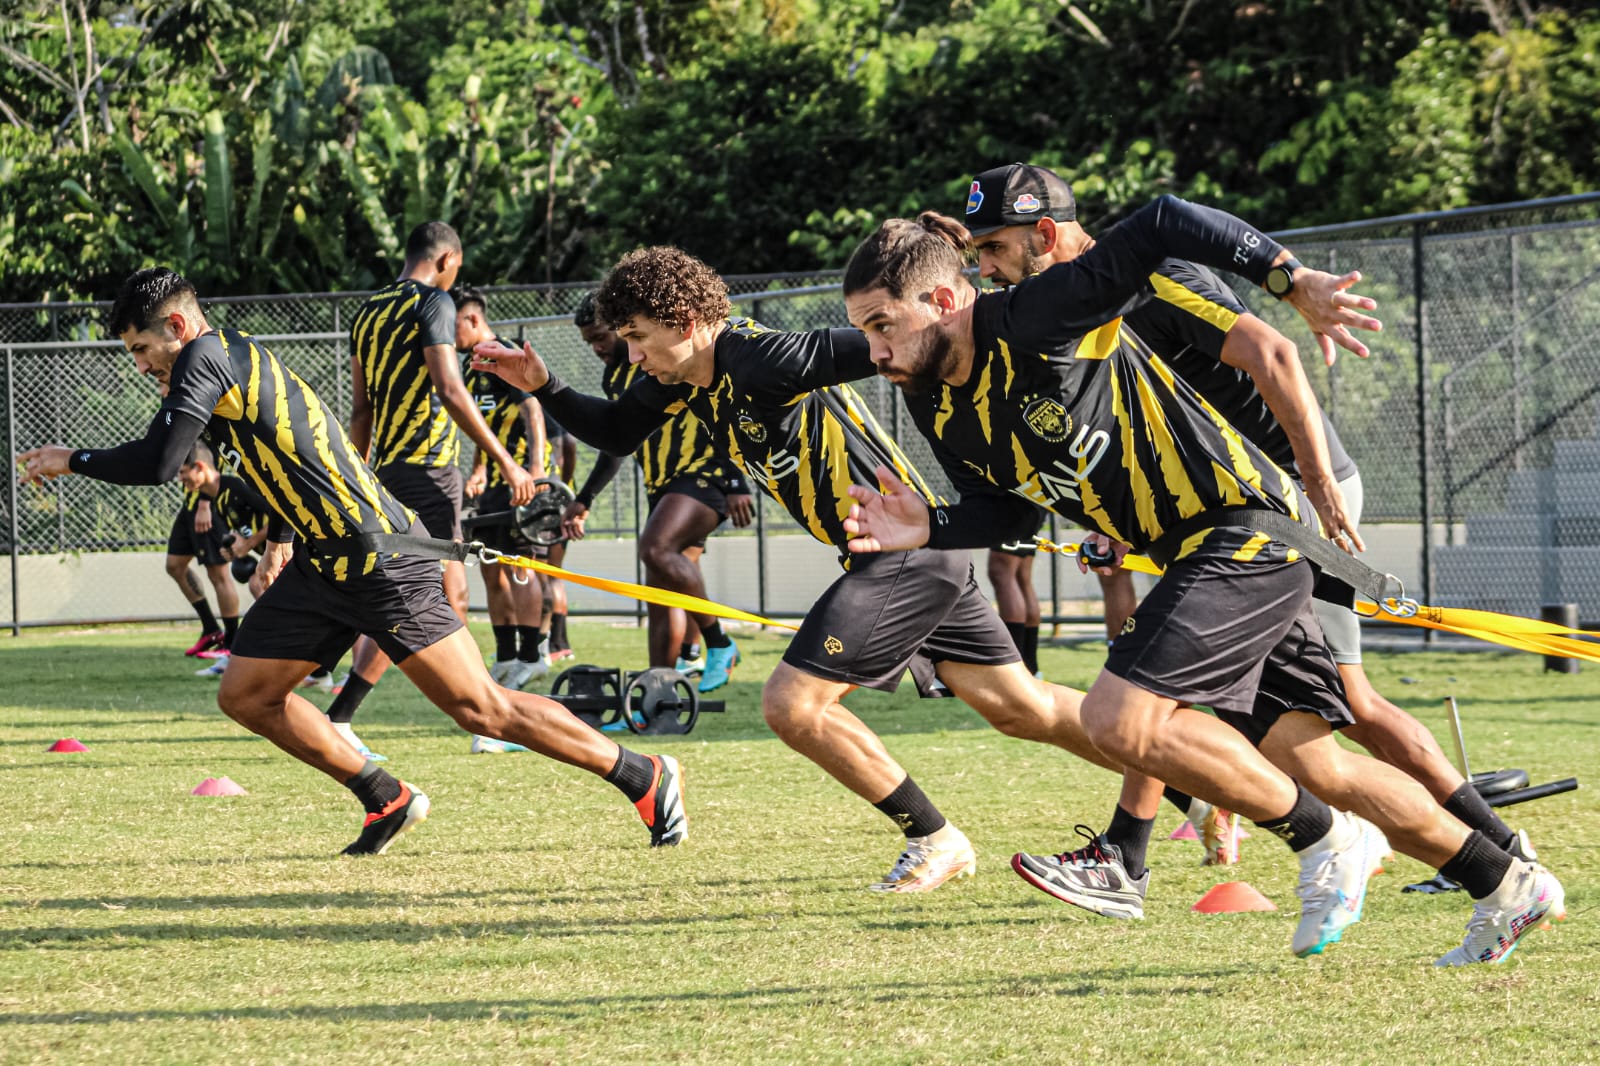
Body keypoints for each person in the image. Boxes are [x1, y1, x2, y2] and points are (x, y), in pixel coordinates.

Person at [837, 196, 1562, 964]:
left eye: (882, 325)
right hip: (1198, 552)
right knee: (1318, 761)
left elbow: (1159, 222)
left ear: (943, 300)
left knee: (1122, 719)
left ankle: (1323, 839)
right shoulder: (931, 397)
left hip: (1246, 528)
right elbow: (1003, 511)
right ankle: (1506, 882)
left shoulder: (1033, 313)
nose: (874, 349)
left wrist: (1289, 279)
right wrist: (931, 527)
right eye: (862, 331)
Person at [473, 247, 1216, 897]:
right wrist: (543, 385)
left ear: (688, 320)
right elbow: (614, 426)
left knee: (792, 706)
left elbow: (885, 347)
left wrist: (963, 343)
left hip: (901, 554)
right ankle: (1191, 781)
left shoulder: (760, 358)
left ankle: (934, 838)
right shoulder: (680, 381)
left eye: (639, 338)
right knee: (1019, 707)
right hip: (912, 558)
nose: (631, 356)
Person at [967, 162, 1540, 886]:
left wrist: (1318, 488)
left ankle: (1127, 854)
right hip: (1236, 510)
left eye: (995, 249)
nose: (986, 269)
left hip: (1283, 502)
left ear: (1045, 233)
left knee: (1175, 681)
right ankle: (1493, 851)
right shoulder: (1077, 308)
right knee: (1321, 710)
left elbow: (1275, 354)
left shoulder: (1152, 277)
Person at [18, 267, 688, 856]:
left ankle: (644, 776)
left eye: (141, 349)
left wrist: (69, 459)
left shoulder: (207, 356)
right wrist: (282, 533)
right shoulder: (228, 366)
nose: (141, 365)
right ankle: (384, 794)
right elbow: (298, 456)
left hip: (379, 558)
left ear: (176, 323)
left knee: (482, 710)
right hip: (323, 564)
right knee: (246, 693)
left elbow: (162, 461)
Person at [327, 222, 539, 751]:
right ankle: (487, 722)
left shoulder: (368, 312)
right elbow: (448, 389)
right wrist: (506, 463)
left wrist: (359, 473)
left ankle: (341, 715)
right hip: (430, 470)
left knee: (408, 596)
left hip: (388, 473)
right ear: (446, 260)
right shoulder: (435, 304)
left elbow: (360, 408)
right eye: (457, 269)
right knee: (452, 592)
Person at [565, 291, 755, 689]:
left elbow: (725, 410)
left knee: (655, 547)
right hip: (662, 486)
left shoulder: (669, 355)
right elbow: (617, 444)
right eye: (589, 342)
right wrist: (584, 498)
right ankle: (657, 693)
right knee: (659, 594)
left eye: (602, 336)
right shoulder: (614, 375)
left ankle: (719, 643)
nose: (598, 347)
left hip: (703, 473)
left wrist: (737, 480)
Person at [455, 285, 551, 716]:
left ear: (473, 320)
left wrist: (536, 471)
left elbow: (531, 411)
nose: (445, 332)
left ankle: (533, 655)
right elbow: (484, 423)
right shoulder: (469, 365)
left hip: (521, 483)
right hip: (494, 481)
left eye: (450, 323)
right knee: (492, 568)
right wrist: (478, 468)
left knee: (521, 567)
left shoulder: (505, 353)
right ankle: (508, 655)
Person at [175, 442, 274, 679]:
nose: (180, 479)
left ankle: (276, 656)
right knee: (256, 585)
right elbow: (240, 529)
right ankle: (234, 654)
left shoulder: (236, 487)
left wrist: (249, 544)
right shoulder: (215, 498)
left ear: (199, 467)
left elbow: (279, 516)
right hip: (265, 555)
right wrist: (233, 545)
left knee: (257, 587)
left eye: (182, 472)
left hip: (288, 552)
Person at [164, 480, 236, 662]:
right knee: (175, 565)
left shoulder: (204, 453)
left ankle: (232, 642)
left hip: (206, 507)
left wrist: (205, 503)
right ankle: (211, 628)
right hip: (189, 504)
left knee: (218, 573)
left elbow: (210, 464)